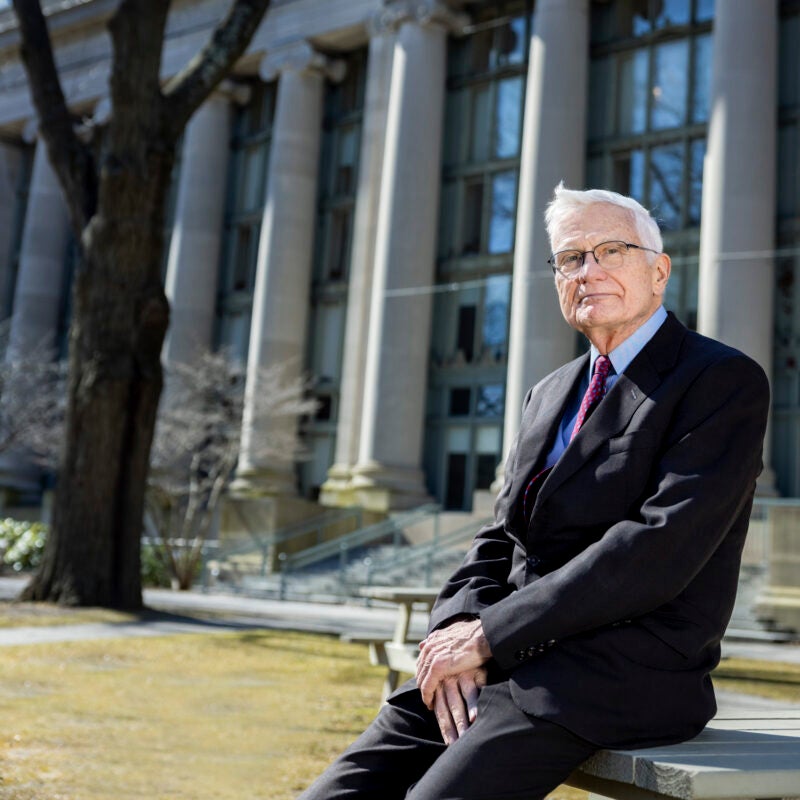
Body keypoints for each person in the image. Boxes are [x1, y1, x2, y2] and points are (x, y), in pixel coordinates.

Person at [298, 184, 771, 800]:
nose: (588, 271)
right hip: (502, 657)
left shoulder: (718, 380)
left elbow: (657, 549)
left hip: (620, 672)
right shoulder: (549, 392)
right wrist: (457, 628)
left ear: (659, 272)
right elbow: (500, 536)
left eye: (610, 250)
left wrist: (490, 636)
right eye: (571, 259)